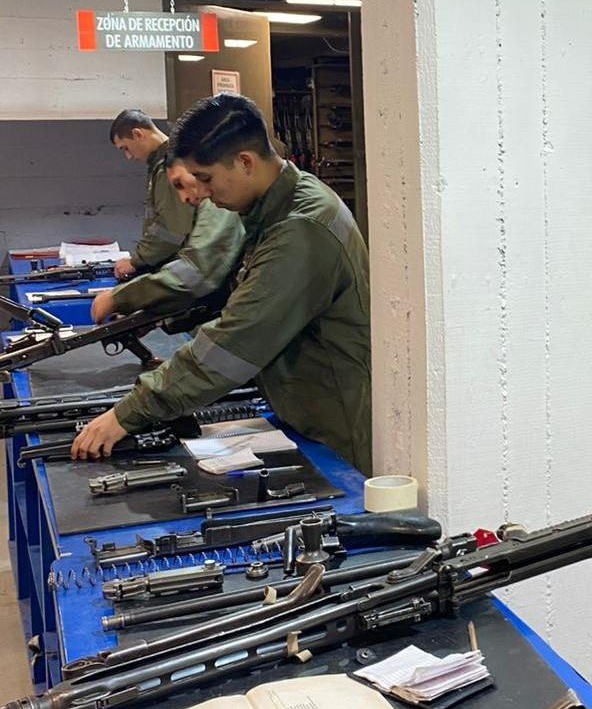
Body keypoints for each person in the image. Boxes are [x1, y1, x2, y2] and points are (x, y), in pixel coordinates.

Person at [74, 93, 372, 475]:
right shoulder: (273, 209)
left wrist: (127, 414)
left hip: (334, 433)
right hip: (307, 408)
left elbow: (237, 338)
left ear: (244, 162)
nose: (201, 194)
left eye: (206, 178)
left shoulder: (300, 229)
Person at [90, 156, 245, 322]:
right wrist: (156, 317)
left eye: (180, 184)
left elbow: (197, 272)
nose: (183, 198)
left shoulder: (220, 205)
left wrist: (120, 297)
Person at [109, 109, 196, 280]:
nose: (128, 156)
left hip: (181, 273)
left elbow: (171, 228)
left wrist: (136, 261)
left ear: (138, 134)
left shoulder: (169, 166)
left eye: (126, 147)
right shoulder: (160, 165)